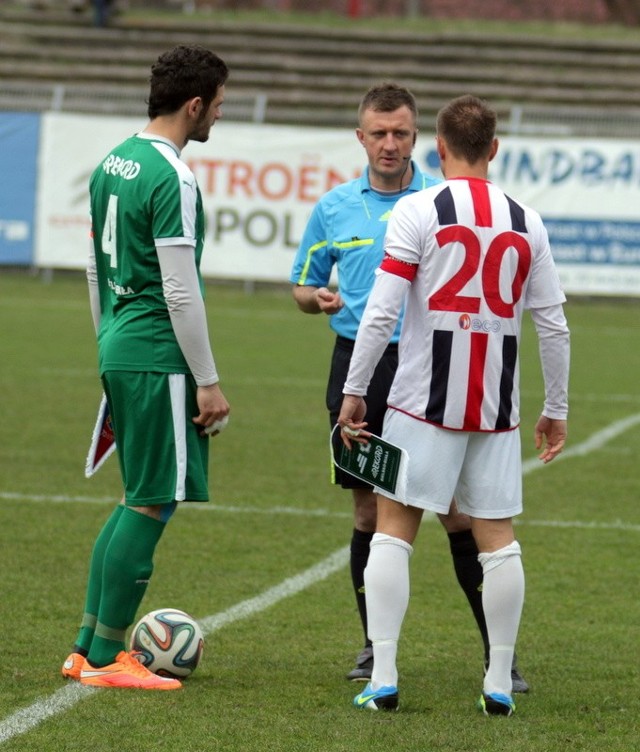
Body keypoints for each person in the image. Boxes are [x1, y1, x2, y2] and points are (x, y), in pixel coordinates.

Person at [290, 84, 528, 693]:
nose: (390, 144)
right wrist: (314, 299)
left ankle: (498, 657)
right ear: (360, 137)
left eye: (400, 133)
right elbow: (302, 283)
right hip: (358, 367)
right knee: (371, 508)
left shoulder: (442, 200)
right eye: (378, 133)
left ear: (421, 137)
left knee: (460, 514)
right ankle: (374, 649)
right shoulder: (335, 207)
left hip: (436, 369)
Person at [338, 94, 570, 716]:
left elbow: (382, 311)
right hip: (495, 408)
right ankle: (497, 680)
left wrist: (355, 391)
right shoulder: (528, 220)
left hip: (419, 404)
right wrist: (558, 407)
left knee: (393, 532)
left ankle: (383, 676)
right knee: (498, 540)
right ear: (494, 149)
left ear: (437, 149)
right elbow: (553, 325)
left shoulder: (418, 210)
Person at [60, 44, 230, 690]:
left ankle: (85, 644)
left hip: (120, 342)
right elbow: (180, 290)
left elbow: (90, 266)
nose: (219, 114)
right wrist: (208, 381)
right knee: (153, 501)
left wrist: (108, 340)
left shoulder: (113, 161)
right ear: (193, 105)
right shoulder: (172, 176)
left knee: (135, 498)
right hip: (158, 353)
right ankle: (106, 659)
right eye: (217, 104)